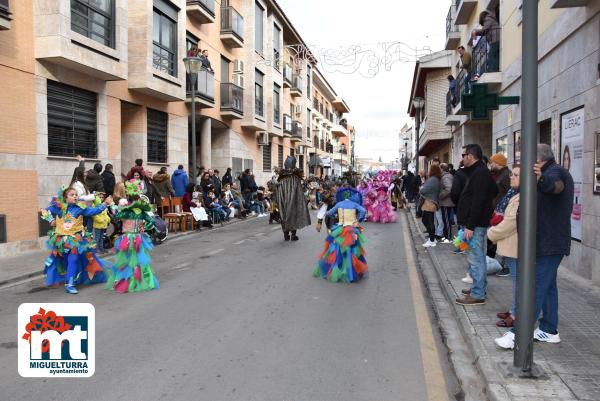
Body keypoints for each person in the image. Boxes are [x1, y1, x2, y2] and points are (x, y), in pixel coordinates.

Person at [41, 187, 112, 294]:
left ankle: (70, 284)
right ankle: (58, 277)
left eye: (76, 195)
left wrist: (105, 204)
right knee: (55, 259)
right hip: (60, 240)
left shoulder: (80, 208)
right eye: (72, 195)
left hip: (75, 239)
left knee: (73, 259)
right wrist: (50, 219)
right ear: (65, 197)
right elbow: (44, 211)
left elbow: (94, 211)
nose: (75, 196)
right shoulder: (58, 207)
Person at [455, 144, 498, 306]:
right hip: (476, 223)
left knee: (476, 258)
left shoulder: (480, 173)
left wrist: (470, 226)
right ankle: (478, 287)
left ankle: (478, 293)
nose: (462, 158)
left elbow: (478, 201)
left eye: (464, 155)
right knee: (476, 257)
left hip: (474, 225)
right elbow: (492, 191)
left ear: (471, 156)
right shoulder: (480, 172)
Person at [105, 180, 159, 293]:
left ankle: (131, 281)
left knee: (130, 260)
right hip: (134, 238)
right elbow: (151, 221)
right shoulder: (130, 210)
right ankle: (136, 280)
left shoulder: (128, 210)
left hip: (130, 238)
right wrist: (145, 226)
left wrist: (111, 205)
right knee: (135, 260)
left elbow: (116, 216)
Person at [487, 165, 520, 332]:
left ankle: (516, 314)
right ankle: (514, 310)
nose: (511, 177)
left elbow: (510, 223)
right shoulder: (514, 194)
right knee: (516, 282)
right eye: (512, 174)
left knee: (518, 283)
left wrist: (491, 233)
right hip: (510, 245)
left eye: (515, 175)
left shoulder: (521, 197)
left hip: (515, 245)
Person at [313, 187, 368, 283]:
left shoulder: (339, 204)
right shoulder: (354, 204)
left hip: (340, 228)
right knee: (352, 250)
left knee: (337, 249)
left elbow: (329, 213)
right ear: (351, 197)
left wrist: (336, 216)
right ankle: (351, 271)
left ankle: (337, 268)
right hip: (351, 229)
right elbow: (363, 211)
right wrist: (358, 220)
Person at [275, 156, 311, 241]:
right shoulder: (295, 178)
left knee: (283, 215)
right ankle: (293, 235)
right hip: (293, 202)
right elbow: (299, 193)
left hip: (283, 201)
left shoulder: (281, 179)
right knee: (294, 215)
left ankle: (286, 234)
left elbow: (277, 191)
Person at [420, 164, 442, 247]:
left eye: (429, 169)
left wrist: (421, 188)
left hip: (430, 202)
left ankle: (432, 240)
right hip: (431, 202)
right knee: (428, 221)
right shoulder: (436, 179)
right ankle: (432, 239)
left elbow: (423, 190)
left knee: (428, 221)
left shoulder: (432, 179)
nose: (428, 171)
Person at [438, 163, 455, 242]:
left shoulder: (446, 177)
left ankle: (447, 236)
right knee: (446, 219)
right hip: (446, 201)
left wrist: (440, 195)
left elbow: (449, 189)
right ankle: (446, 235)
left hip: (446, 202)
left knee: (446, 220)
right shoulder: (446, 176)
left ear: (442, 169)